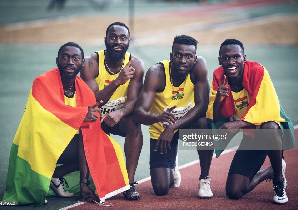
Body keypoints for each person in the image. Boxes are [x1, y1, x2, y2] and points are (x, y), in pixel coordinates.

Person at [3, 42, 129, 206]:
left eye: (75, 58)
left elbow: (89, 134)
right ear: (57, 60)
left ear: (82, 63)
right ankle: (48, 176)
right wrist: (82, 114)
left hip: (64, 143)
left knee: (105, 147)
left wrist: (84, 183)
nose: (70, 62)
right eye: (65, 57)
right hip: (38, 143)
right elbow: (48, 113)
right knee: (88, 144)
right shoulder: (41, 82)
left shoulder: (84, 90)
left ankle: (56, 175)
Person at [206, 39, 295, 204]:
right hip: (252, 135)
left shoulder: (258, 71)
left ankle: (278, 179)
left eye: (235, 57)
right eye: (226, 58)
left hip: (271, 134)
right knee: (234, 192)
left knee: (269, 126)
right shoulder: (219, 76)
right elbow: (216, 118)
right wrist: (218, 98)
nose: (231, 62)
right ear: (220, 60)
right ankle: (267, 172)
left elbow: (269, 111)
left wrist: (237, 124)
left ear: (244, 58)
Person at [134, 35, 214, 198]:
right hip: (161, 131)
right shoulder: (156, 73)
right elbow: (138, 113)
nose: (183, 60)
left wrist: (173, 127)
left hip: (186, 125)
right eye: (178, 55)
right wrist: (159, 118)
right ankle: (172, 161)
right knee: (161, 189)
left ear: (194, 58)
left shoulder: (199, 67)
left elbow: (202, 106)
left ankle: (204, 178)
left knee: (203, 123)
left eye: (188, 56)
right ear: (171, 56)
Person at [81, 22, 144, 200]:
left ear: (128, 42)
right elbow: (92, 101)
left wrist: (120, 113)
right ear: (105, 40)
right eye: (113, 37)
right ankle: (83, 182)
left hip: (118, 119)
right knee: (88, 122)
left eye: (122, 38)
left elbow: (134, 101)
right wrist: (117, 81)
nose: (118, 41)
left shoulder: (136, 65)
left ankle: (129, 183)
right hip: (94, 118)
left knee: (134, 123)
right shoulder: (91, 63)